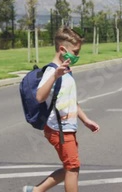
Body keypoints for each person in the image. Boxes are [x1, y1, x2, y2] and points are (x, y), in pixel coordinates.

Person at [23, 27, 100, 192]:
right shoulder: (52, 71)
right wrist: (55, 76)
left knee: (69, 166)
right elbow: (40, 97)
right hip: (59, 129)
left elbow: (72, 101)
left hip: (67, 128)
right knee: (73, 167)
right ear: (63, 49)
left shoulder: (66, 70)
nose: (77, 56)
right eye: (75, 52)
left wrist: (86, 120)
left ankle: (35, 191)